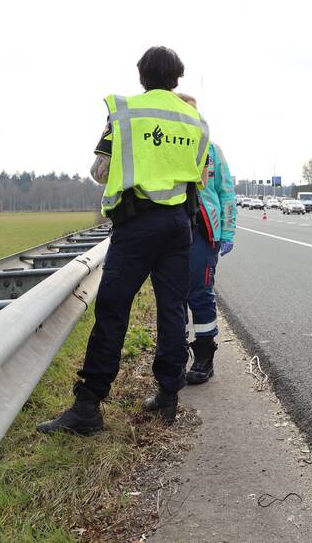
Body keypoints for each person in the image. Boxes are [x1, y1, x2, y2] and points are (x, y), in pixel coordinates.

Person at [38, 46, 208, 435]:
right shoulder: (196, 120)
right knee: (172, 310)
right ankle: (168, 395)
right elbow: (195, 174)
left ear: (141, 76)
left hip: (137, 225)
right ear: (177, 79)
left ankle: (88, 407)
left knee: (113, 310)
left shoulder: (126, 112)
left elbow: (100, 171)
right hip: (179, 225)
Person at [176, 93, 235, 384]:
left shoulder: (212, 150)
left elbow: (226, 192)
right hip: (171, 231)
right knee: (173, 297)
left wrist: (228, 232)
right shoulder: (168, 147)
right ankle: (173, 357)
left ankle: (203, 358)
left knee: (200, 294)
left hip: (203, 232)